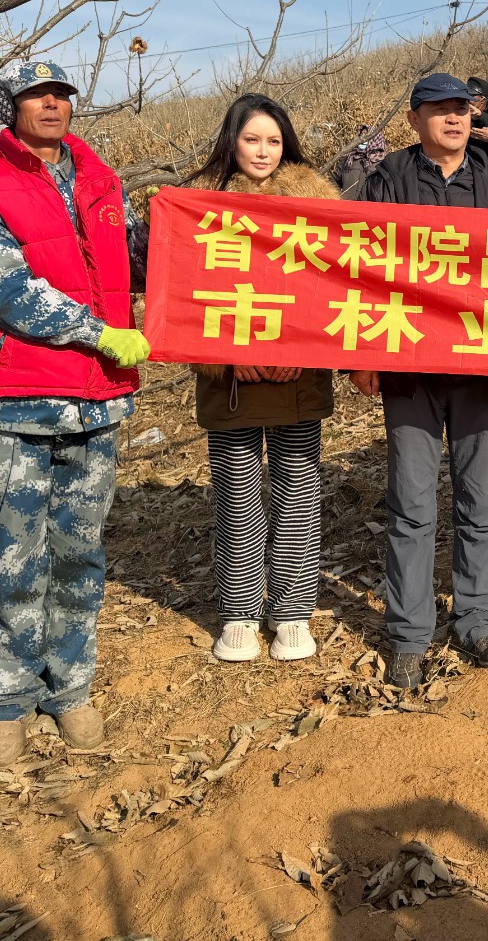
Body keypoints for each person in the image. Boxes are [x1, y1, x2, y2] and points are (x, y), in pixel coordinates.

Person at [0, 61, 151, 766]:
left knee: (79, 552)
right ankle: (8, 698)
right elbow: (4, 289)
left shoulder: (103, 180)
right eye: (38, 95)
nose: (53, 104)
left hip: (96, 398)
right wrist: (99, 332)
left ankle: (71, 687)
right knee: (13, 555)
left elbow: (135, 258)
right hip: (16, 401)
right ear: (13, 107)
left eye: (62, 93)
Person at [355, 73, 488, 690]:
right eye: (440, 110)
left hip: (482, 369)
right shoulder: (384, 182)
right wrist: (363, 354)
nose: (453, 120)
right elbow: (356, 268)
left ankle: (479, 620)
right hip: (409, 367)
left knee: (482, 501)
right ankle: (409, 632)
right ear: (413, 119)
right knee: (411, 502)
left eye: (462, 110)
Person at [186, 95, 339, 663]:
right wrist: (226, 357)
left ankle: (294, 611)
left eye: (274, 141)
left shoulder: (318, 200)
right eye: (252, 139)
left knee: (298, 493)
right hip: (229, 377)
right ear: (232, 142)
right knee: (237, 498)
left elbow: (333, 289)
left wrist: (305, 349)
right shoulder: (198, 205)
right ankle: (240, 612)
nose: (263, 151)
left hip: (298, 374)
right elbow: (184, 295)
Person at [336, 123, 388, 200]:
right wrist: (337, 196)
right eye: (361, 135)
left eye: (366, 136)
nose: (362, 139)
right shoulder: (349, 159)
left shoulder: (382, 164)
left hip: (366, 210)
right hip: (346, 208)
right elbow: (333, 180)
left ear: (375, 139)